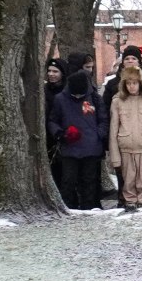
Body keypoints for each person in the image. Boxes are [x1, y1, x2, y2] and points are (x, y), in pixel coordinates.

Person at [107, 57, 142, 210]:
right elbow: (113, 130)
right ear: (124, 85)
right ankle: (130, 202)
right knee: (129, 180)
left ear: (141, 83)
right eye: (128, 83)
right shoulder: (117, 102)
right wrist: (115, 157)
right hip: (125, 148)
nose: (132, 87)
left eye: (135, 83)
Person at [49, 65, 108, 209]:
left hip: (91, 147)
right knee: (68, 180)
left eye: (80, 96)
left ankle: (89, 207)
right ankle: (68, 206)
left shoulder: (94, 98)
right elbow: (52, 120)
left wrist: (98, 135)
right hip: (70, 147)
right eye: (75, 95)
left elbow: (103, 120)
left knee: (89, 180)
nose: (77, 97)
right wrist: (60, 134)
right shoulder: (60, 99)